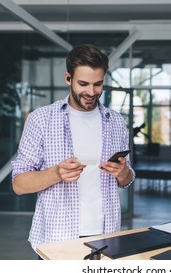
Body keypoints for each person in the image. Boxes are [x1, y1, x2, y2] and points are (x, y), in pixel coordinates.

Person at [11, 44, 135, 256]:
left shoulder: (115, 121)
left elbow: (126, 178)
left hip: (106, 236)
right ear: (68, 78)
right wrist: (56, 173)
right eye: (83, 84)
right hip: (58, 238)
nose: (91, 92)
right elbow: (19, 185)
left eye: (97, 84)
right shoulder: (41, 119)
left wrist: (124, 174)